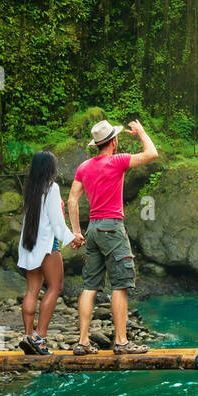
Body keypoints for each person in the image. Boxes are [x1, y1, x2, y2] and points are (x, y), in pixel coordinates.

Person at [68, 119, 158, 354]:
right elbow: (152, 153)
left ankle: (83, 342)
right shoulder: (117, 161)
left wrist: (76, 231)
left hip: (93, 229)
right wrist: (141, 133)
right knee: (119, 285)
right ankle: (121, 342)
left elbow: (72, 200)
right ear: (114, 141)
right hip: (112, 228)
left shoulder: (84, 166)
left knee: (89, 286)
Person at [16, 151, 81, 354]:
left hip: (29, 244)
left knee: (32, 290)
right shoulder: (51, 188)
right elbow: (56, 221)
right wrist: (73, 238)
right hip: (47, 245)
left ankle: (28, 336)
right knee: (55, 287)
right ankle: (40, 337)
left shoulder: (30, 189)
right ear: (49, 168)